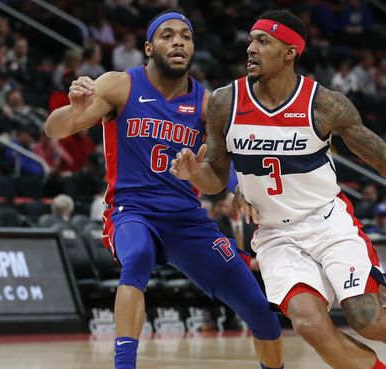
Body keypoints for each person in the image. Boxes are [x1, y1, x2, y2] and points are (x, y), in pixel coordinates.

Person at [171, 10, 386, 369]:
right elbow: (215, 177)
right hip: (276, 234)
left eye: (263, 41)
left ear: (290, 51)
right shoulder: (225, 102)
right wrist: (194, 174)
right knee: (309, 324)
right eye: (251, 40)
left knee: (368, 319)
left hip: (328, 223)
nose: (251, 48)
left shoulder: (325, 104)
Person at [44, 11, 284, 369]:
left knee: (261, 312)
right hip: (132, 210)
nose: (178, 42)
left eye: (185, 37)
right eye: (167, 35)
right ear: (148, 47)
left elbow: (226, 162)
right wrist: (76, 111)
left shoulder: (208, 103)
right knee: (137, 256)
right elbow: (54, 129)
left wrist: (239, 188)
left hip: (186, 218)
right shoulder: (119, 85)